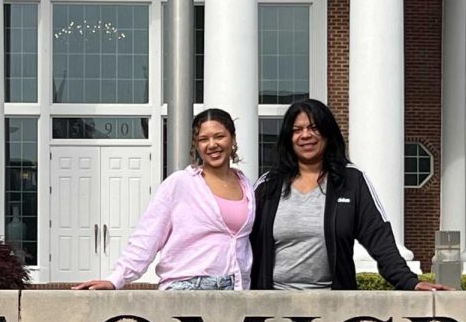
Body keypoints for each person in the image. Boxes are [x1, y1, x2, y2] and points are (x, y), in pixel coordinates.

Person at [250, 98, 446, 292]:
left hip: (333, 307)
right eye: (297, 130)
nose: (305, 135)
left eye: (314, 128)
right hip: (273, 305)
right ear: (288, 138)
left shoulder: (352, 181)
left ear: (328, 134)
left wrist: (409, 282)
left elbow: (379, 237)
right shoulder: (268, 185)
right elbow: (242, 239)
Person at [73, 108, 255, 290]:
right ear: (196, 145)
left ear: (232, 138)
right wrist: (116, 279)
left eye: (219, 136)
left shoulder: (246, 185)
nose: (212, 144)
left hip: (236, 290)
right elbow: (148, 235)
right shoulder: (181, 184)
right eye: (203, 139)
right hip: (188, 287)